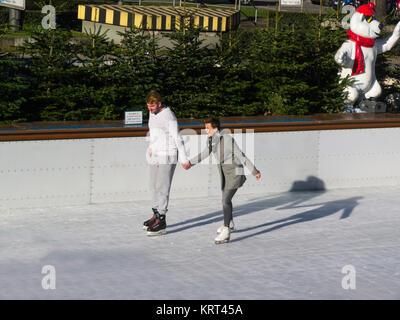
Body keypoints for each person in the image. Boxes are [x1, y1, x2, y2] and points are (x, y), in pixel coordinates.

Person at [186, 118, 261, 244]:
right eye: (205, 127)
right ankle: (229, 222)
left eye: (208, 128)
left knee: (225, 200)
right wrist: (190, 163)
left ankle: (226, 231)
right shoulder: (210, 140)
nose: (206, 130)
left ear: (215, 128)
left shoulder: (227, 140)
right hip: (224, 174)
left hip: (235, 173)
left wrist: (254, 171)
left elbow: (241, 155)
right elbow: (205, 153)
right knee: (227, 199)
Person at [143, 91, 191, 236]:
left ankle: (161, 220)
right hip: (156, 154)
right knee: (153, 186)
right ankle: (156, 213)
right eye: (148, 107)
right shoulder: (152, 113)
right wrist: (151, 147)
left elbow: (177, 138)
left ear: (159, 103)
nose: (150, 109)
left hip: (168, 154)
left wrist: (184, 159)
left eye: (152, 106)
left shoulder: (169, 116)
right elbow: (154, 132)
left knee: (162, 187)